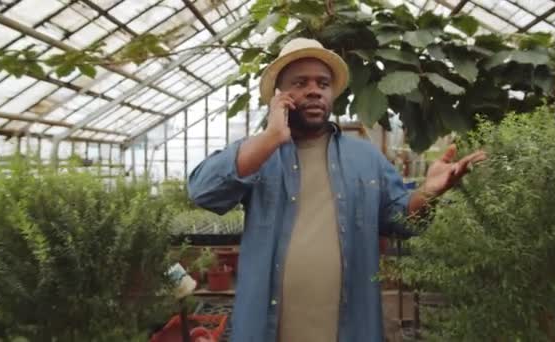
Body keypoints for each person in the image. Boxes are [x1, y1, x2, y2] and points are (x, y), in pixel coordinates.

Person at [188, 38, 485, 342]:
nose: (314, 90)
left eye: (323, 83)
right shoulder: (260, 156)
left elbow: (403, 218)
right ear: (280, 95)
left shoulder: (365, 157)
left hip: (350, 327)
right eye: (300, 83)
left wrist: (428, 193)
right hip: (267, 329)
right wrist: (270, 137)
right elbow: (203, 191)